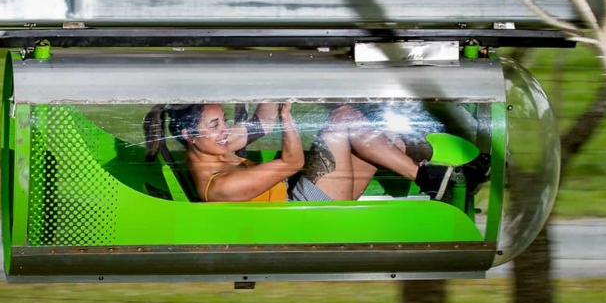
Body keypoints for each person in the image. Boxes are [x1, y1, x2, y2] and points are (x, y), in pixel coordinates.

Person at [149, 102, 454, 203]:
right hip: (306, 214)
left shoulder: (214, 147)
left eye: (224, 121)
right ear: (188, 135)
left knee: (383, 139)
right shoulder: (220, 186)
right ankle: (430, 178)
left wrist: (273, 74)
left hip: (303, 197)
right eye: (215, 125)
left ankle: (452, 177)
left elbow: (262, 123)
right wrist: (287, 117)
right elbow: (292, 161)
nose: (225, 130)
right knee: (343, 119)